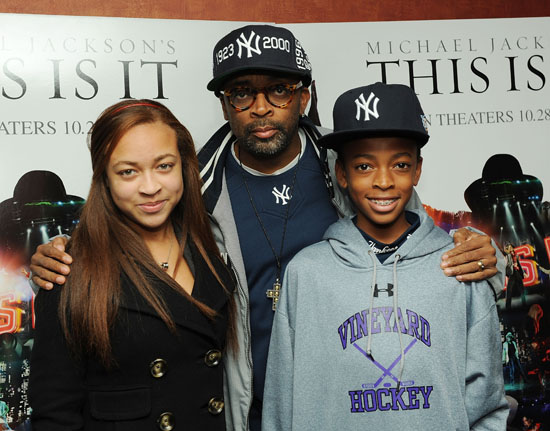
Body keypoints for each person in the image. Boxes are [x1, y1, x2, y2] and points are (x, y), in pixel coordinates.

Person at [29, 25, 503, 430]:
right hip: (237, 409)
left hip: (347, 405)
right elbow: (124, 230)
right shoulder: (195, 190)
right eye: (241, 92)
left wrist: (491, 259)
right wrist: (67, 255)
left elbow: (425, 251)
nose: (260, 107)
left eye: (278, 89)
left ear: (304, 96)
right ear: (224, 104)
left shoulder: (357, 168)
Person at [262, 83, 508, 430]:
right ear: (342, 174)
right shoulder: (307, 273)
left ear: (417, 170)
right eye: (364, 166)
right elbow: (279, 404)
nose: (383, 181)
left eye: (400, 164)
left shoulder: (460, 266)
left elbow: (487, 407)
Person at [29, 100, 236, 430]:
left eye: (164, 166)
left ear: (184, 165)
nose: (150, 187)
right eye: (128, 171)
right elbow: (54, 415)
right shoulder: (70, 272)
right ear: (104, 179)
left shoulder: (211, 248)